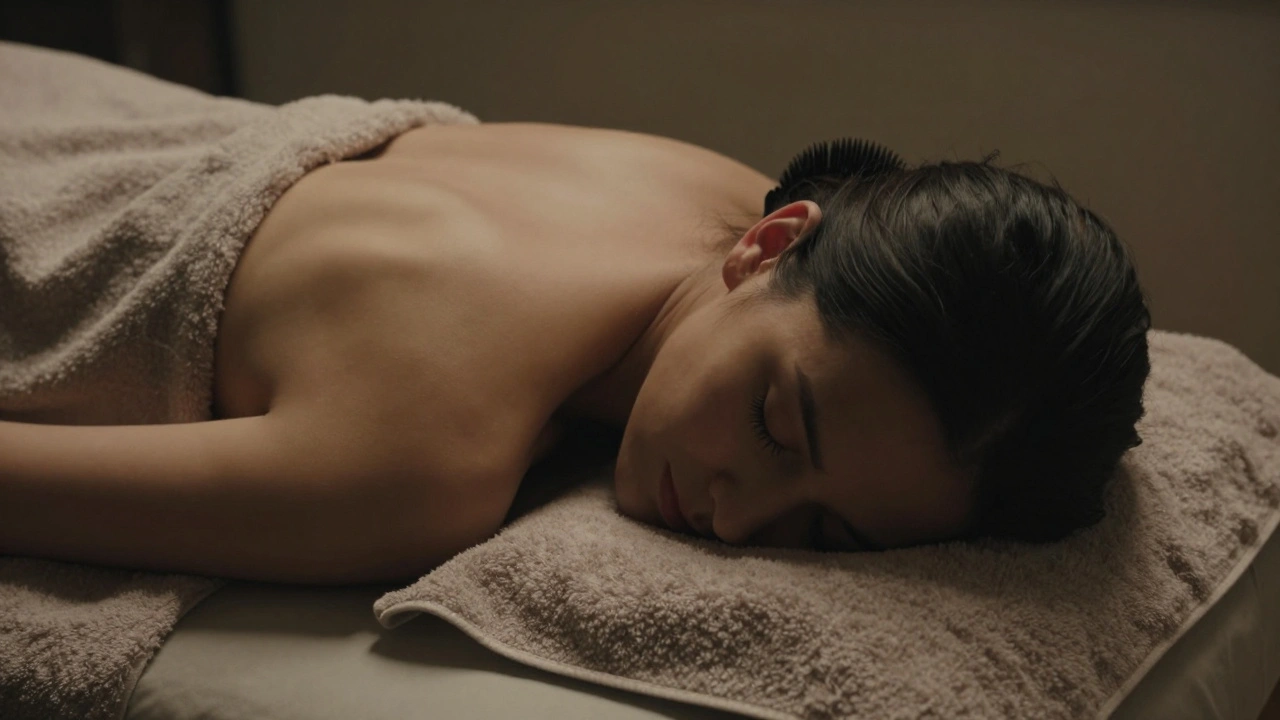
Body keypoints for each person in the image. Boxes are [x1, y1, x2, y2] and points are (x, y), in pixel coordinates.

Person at [0, 122, 1150, 584]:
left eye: (828, 534)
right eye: (772, 423)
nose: (739, 518)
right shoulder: (422, 463)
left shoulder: (718, 188)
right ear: (766, 245)